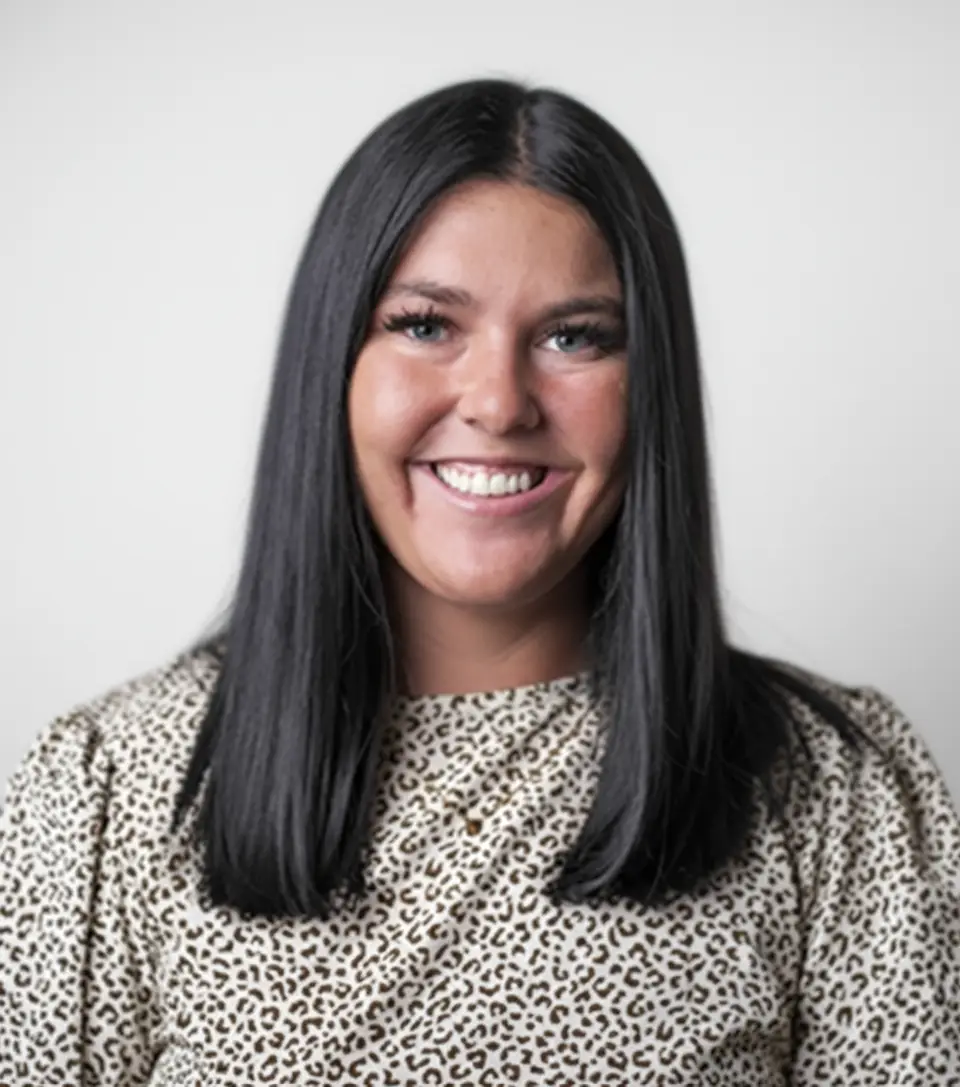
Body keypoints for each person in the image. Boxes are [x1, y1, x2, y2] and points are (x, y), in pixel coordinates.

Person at [1, 77, 958, 1086]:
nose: (500, 402)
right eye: (424, 324)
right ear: (334, 363)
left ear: (651, 388)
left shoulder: (833, 788)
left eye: (574, 336)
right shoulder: (107, 793)